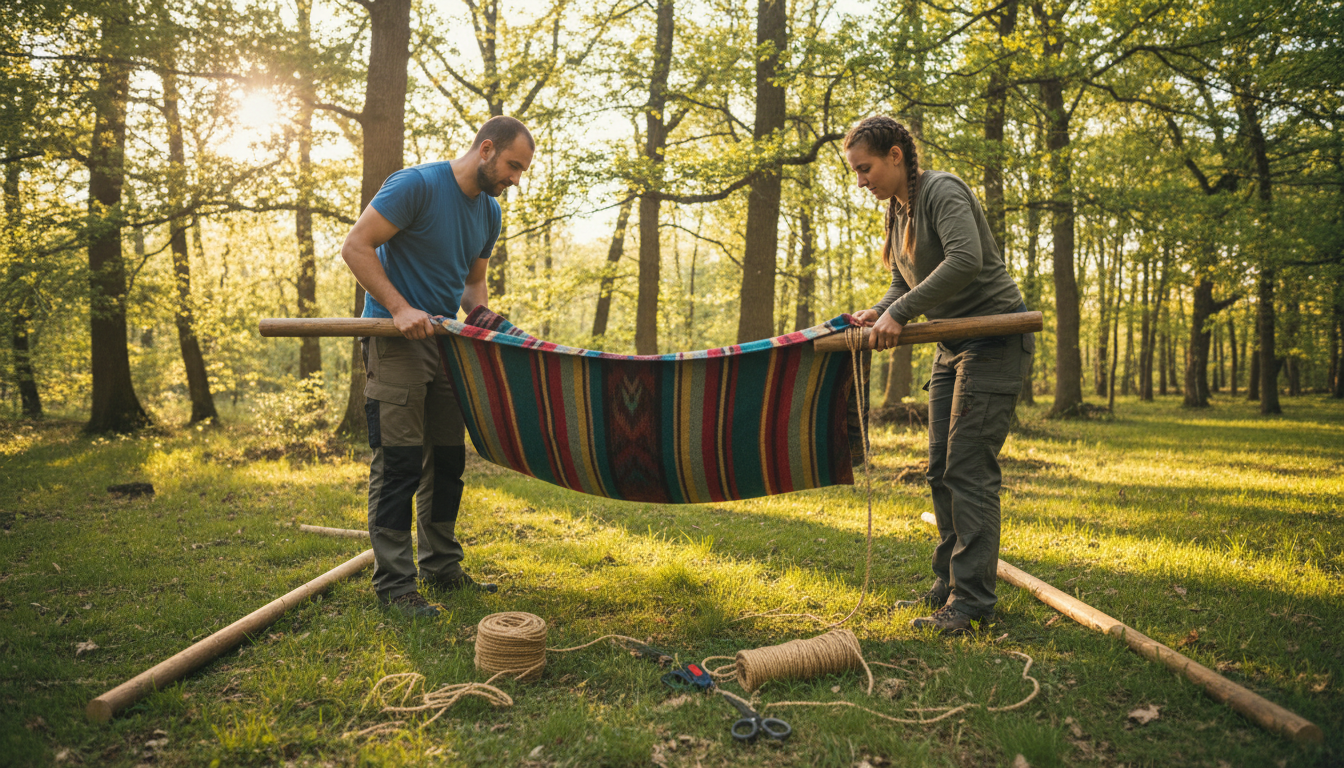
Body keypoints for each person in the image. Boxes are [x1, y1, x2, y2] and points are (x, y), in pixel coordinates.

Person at [844, 115, 1033, 635]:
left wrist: (900, 312)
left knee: (968, 470)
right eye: (856, 174)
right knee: (938, 468)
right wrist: (877, 310)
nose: (862, 182)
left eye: (866, 169)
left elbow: (966, 259)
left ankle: (971, 602)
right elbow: (900, 279)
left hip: (994, 338)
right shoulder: (898, 212)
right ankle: (950, 580)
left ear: (896, 156)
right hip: (950, 344)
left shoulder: (941, 191)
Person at [341, 116, 534, 618]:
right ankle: (395, 587)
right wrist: (400, 308)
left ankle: (442, 568)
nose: (516, 179)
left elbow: (472, 290)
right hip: (395, 339)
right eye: (513, 166)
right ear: (486, 149)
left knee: (447, 462)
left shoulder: (489, 213)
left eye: (522, 170)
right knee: (399, 463)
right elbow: (355, 246)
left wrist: (494, 328)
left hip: (448, 343)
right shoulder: (417, 185)